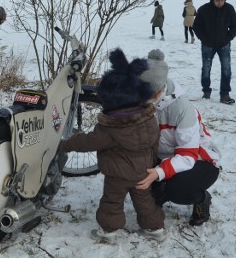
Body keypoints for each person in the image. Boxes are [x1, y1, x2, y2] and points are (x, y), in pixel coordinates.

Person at [60, 48, 167, 244]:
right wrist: (151, 163)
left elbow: (88, 141)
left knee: (112, 201)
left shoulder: (112, 127)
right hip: (143, 170)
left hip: (117, 175)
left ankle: (108, 232)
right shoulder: (150, 119)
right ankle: (156, 229)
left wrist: (66, 144)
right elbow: (154, 143)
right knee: (145, 201)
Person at [136, 49, 221, 227]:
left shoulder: (182, 110)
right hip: (163, 156)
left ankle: (201, 198)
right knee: (142, 183)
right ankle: (161, 191)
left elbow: (187, 155)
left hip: (197, 160)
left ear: (160, 90)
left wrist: (159, 172)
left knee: (176, 191)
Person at [192, 0, 236, 104]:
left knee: (226, 69)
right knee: (206, 69)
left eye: (222, 0)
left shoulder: (229, 9)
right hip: (208, 45)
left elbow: (235, 25)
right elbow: (196, 26)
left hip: (224, 45)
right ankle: (206, 92)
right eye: (217, 0)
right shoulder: (204, 9)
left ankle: (225, 95)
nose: (220, 2)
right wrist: (204, 39)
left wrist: (228, 38)